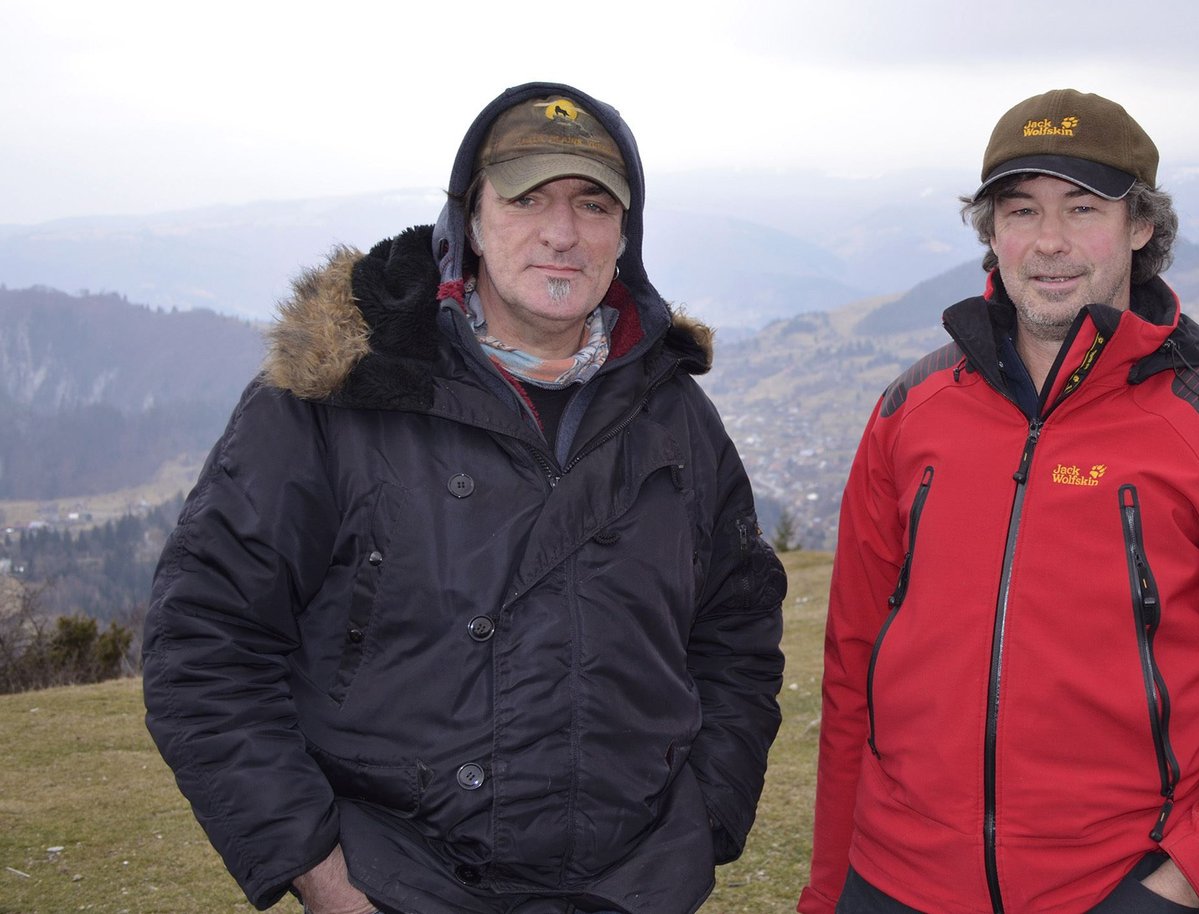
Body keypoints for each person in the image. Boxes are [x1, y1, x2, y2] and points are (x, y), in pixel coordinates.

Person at [143, 82, 786, 914]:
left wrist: (705, 819)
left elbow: (737, 628)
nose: (562, 232)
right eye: (527, 198)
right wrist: (319, 871)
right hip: (398, 882)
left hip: (632, 887)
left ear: (625, 235)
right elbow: (205, 638)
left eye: (594, 204)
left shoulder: (673, 414)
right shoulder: (343, 398)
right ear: (469, 221)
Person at [801, 89, 1199, 914]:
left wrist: (1188, 880)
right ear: (991, 231)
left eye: (1082, 209)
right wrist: (830, 889)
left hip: (1114, 888)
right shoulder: (910, 411)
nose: (1049, 241)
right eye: (1021, 210)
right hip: (893, 882)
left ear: (1141, 226)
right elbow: (851, 668)